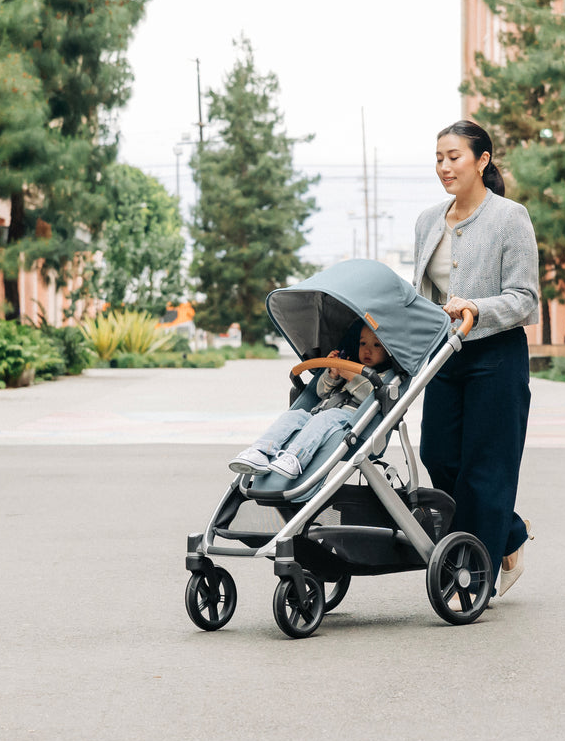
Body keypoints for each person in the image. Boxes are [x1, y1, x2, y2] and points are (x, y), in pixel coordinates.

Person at [414, 120, 540, 597]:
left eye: (454, 157)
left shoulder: (510, 217)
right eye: (440, 158)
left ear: (482, 160)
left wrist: (476, 307)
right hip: (445, 355)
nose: (445, 166)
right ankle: (509, 532)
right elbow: (422, 294)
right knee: (439, 456)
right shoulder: (428, 220)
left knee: (486, 467)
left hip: (496, 354)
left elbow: (525, 298)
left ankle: (477, 574)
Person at [229, 324, 390, 481]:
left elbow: (370, 396)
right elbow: (322, 392)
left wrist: (350, 376)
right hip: (319, 414)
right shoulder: (349, 364)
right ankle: (261, 451)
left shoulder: (383, 377)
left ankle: (296, 458)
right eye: (363, 343)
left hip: (350, 421)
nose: (367, 350)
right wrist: (332, 373)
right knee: (294, 416)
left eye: (377, 345)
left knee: (327, 416)